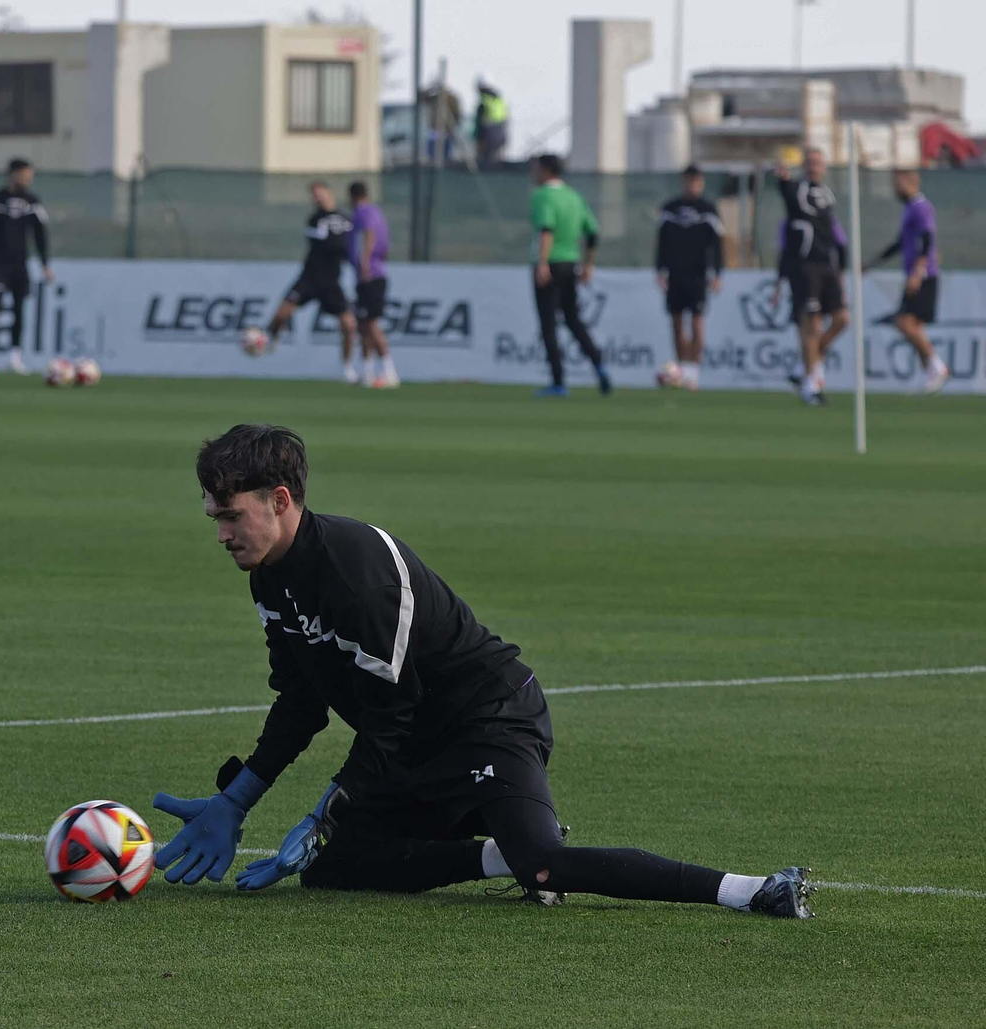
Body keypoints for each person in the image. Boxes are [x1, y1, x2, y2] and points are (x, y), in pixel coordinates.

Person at [152, 423, 815, 921]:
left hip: (488, 718)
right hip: (420, 739)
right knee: (332, 869)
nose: (221, 533)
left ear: (280, 498)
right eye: (214, 517)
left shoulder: (358, 576)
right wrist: (238, 798)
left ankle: (752, 889)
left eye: (231, 515)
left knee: (546, 862)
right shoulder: (270, 580)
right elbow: (301, 699)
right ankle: (498, 853)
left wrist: (326, 809)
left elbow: (387, 716)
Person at [771, 148, 849, 406]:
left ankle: (803, 366)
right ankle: (811, 386)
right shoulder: (796, 190)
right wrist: (782, 178)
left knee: (841, 319)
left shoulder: (827, 195)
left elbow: (835, 235)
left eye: (819, 162)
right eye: (810, 162)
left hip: (828, 266)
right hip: (805, 268)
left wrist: (841, 270)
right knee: (810, 325)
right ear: (804, 165)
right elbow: (787, 193)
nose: (815, 166)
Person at [529, 154, 610, 398]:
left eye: (536, 169)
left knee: (548, 323)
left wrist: (542, 263)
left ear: (545, 171)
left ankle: (558, 381)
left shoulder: (543, 196)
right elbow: (593, 232)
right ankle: (599, 364)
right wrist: (589, 264)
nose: (534, 174)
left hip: (550, 263)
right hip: (571, 263)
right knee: (574, 320)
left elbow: (546, 230)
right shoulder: (574, 197)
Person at [864, 169, 950, 394]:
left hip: (924, 275)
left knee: (904, 323)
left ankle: (937, 366)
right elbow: (900, 243)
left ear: (908, 182)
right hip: (917, 274)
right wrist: (873, 262)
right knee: (912, 326)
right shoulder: (909, 209)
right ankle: (931, 371)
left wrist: (918, 272)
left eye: (896, 184)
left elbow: (927, 237)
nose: (894, 189)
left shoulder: (921, 207)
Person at [263, 181, 357, 382]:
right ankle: (271, 338)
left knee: (349, 326)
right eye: (313, 195)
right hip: (310, 278)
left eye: (319, 193)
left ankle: (347, 367)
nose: (316, 198)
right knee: (281, 314)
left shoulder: (346, 219)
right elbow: (327, 244)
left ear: (329, 192)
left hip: (331, 281)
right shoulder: (315, 219)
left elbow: (349, 244)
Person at [0, 158, 51, 375]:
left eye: (30, 175)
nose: (28, 179)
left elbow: (40, 235)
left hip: (20, 265)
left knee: (19, 309)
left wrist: (45, 264)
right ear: (13, 174)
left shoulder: (32, 202)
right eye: (25, 174)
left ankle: (15, 356)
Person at [654, 165, 724, 392]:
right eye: (689, 181)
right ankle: (680, 371)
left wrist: (717, 273)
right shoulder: (670, 208)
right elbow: (661, 243)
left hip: (699, 274)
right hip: (675, 274)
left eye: (696, 181)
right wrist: (660, 270)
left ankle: (693, 374)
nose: (692, 185)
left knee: (697, 322)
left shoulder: (708, 209)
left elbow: (718, 245)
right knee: (676, 323)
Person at [347, 181, 397, 389]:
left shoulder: (363, 212)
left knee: (372, 324)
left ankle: (389, 370)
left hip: (370, 276)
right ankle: (368, 372)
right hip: (373, 274)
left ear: (353, 196)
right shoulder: (377, 213)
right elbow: (386, 247)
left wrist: (365, 263)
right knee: (363, 325)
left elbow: (368, 235)